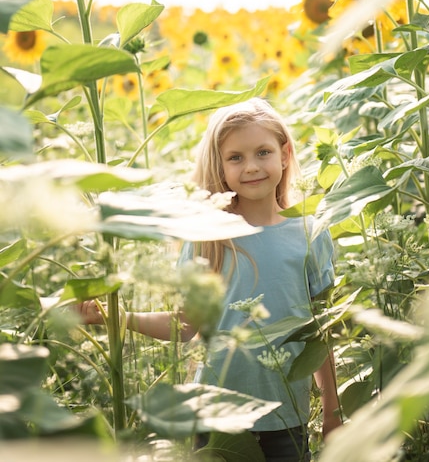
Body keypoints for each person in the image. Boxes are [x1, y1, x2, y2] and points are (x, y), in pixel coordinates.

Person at [77, 97, 342, 461]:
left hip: (285, 416)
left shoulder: (310, 233)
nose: (251, 167)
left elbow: (321, 333)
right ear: (220, 166)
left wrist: (332, 411)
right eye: (235, 157)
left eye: (262, 152)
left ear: (284, 154)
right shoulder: (208, 238)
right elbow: (185, 325)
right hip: (214, 416)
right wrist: (115, 317)